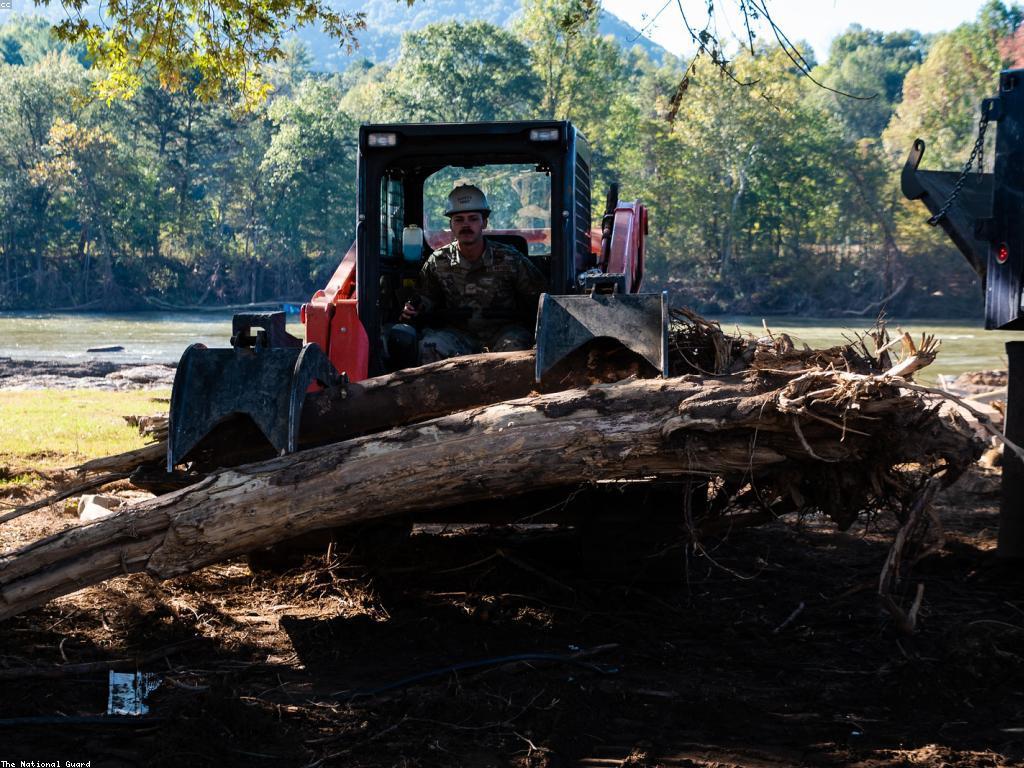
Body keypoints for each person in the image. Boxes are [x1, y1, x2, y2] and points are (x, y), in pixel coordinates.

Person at [399, 183, 547, 363]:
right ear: (451, 225)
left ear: (484, 222)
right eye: (459, 219)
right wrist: (414, 308)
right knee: (430, 346)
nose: (466, 225)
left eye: (473, 218)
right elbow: (425, 298)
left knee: (518, 350)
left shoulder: (510, 259)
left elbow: (540, 299)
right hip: (457, 335)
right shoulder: (438, 261)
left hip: (504, 333)